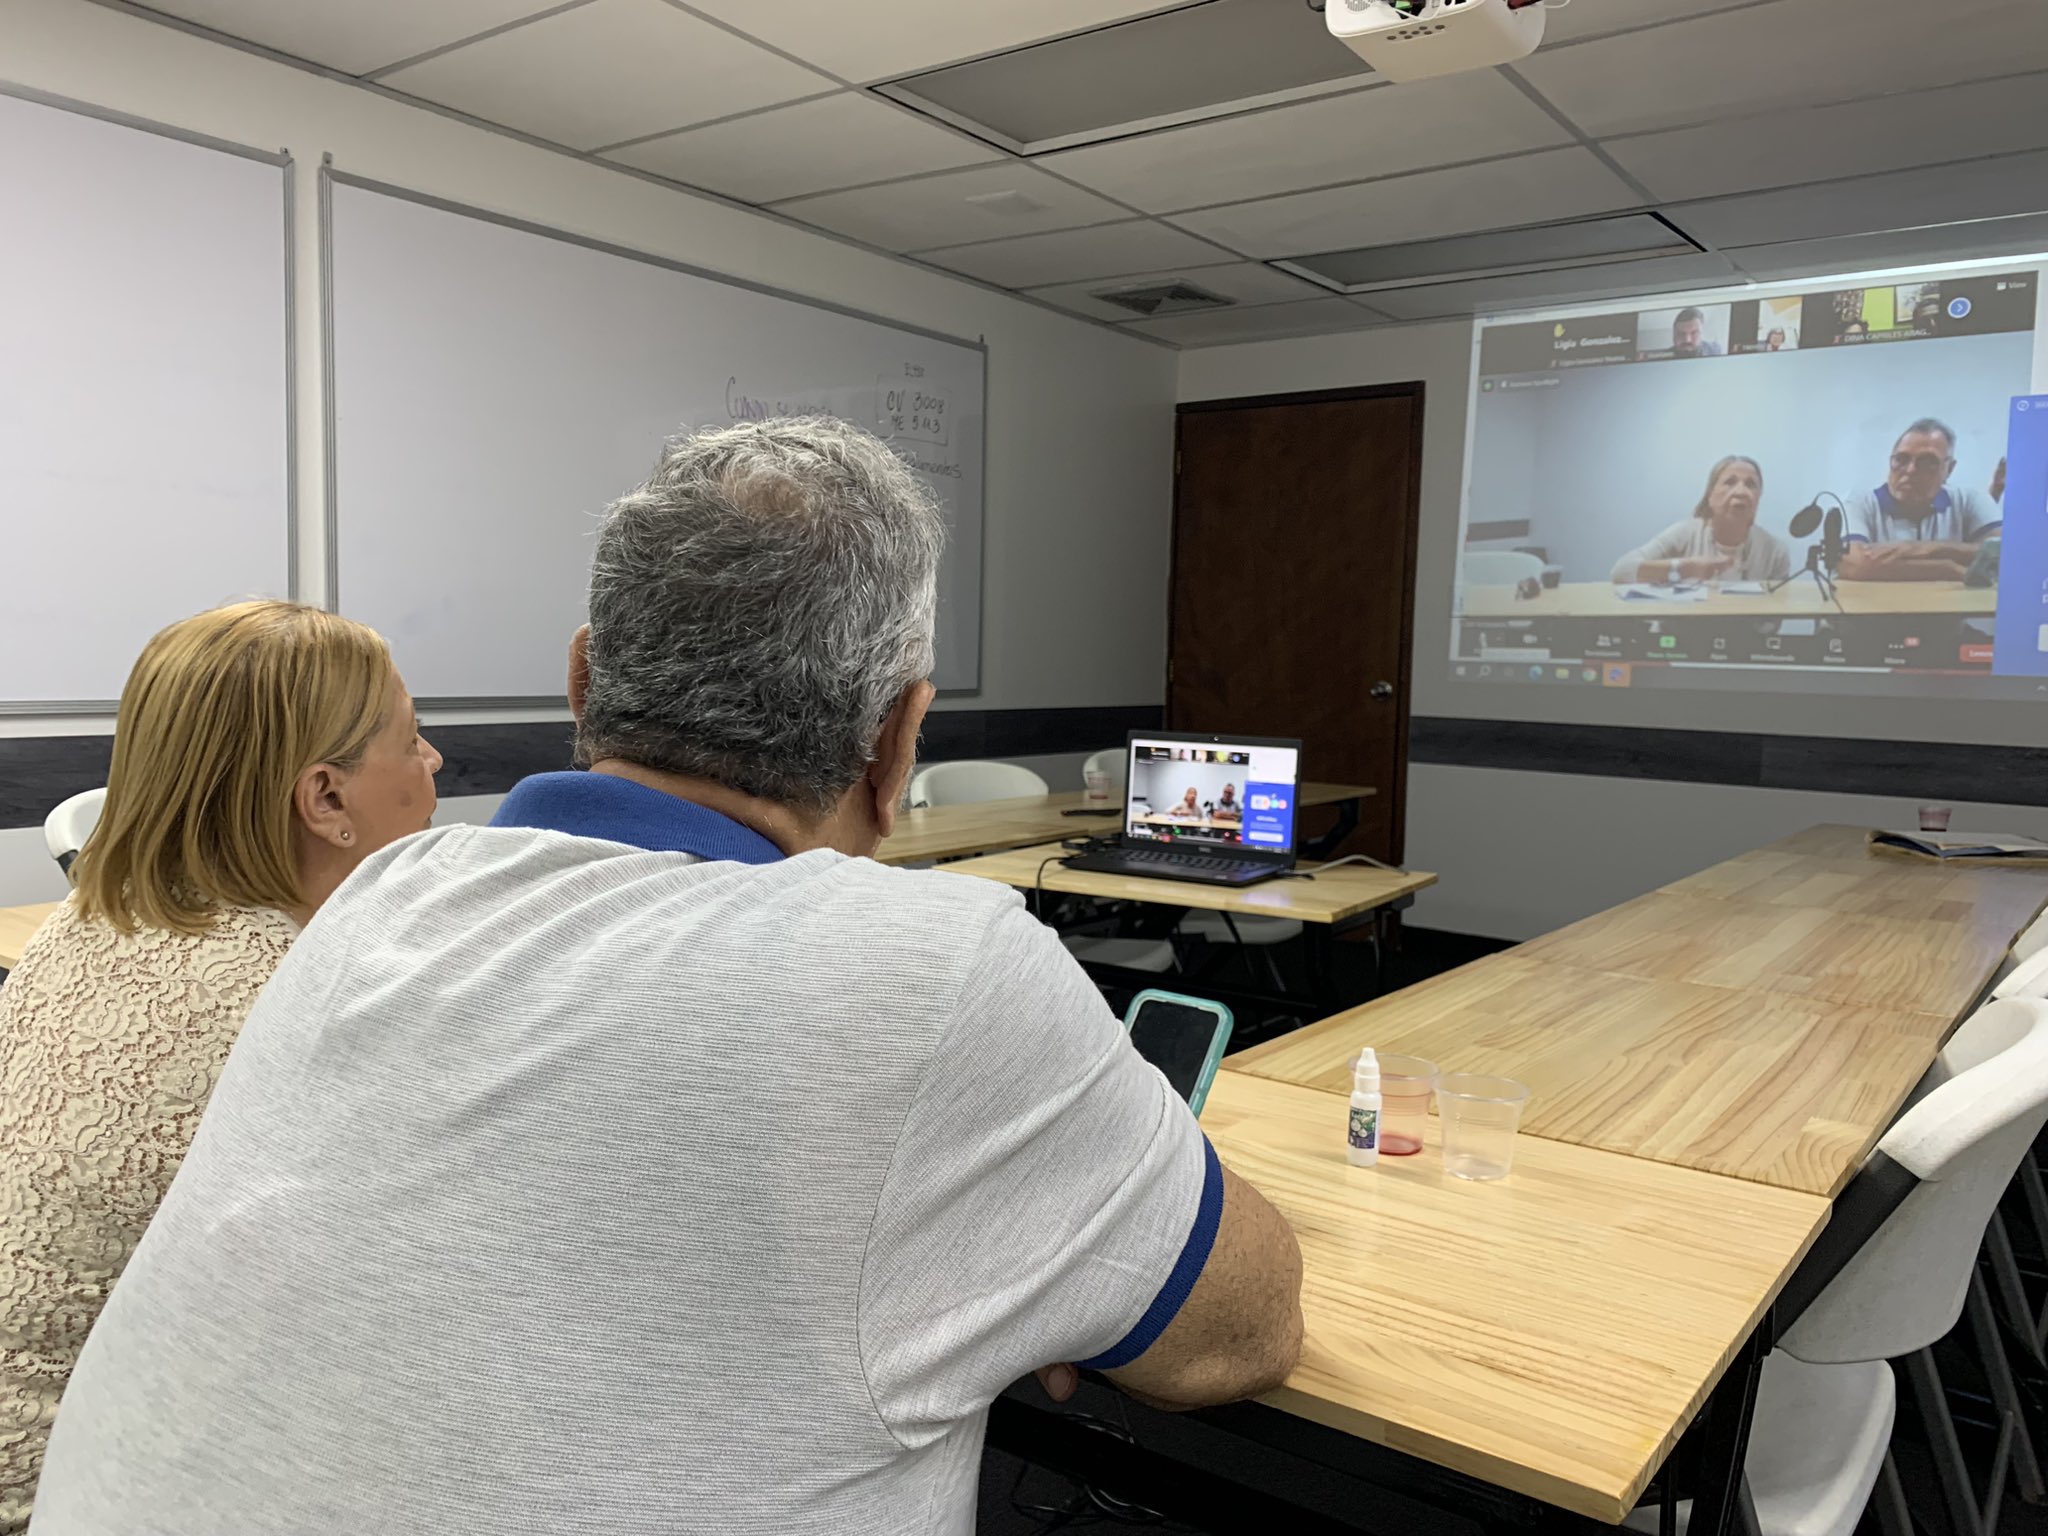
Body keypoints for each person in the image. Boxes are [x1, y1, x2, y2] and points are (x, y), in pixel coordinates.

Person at [31, 419, 1304, 1536]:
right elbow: (1241, 1332)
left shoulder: (371, 904)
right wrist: (1031, 1282)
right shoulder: (942, 972)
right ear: (897, 737)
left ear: (583, 680)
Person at [0, 600, 439, 1532]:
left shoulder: (90, 917)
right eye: (413, 738)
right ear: (325, 799)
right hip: (67, 1490)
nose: (433, 762)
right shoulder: (293, 1001)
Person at [1838, 418, 2003, 582]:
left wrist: (1924, 549)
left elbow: (2005, 555)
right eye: (1901, 460)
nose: (1910, 470)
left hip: (1951, 606)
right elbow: (1856, 565)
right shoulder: (1857, 502)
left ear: (1949, 469)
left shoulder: (1970, 500)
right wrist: (1947, 569)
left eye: (1927, 462)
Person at [1610, 455, 1792, 585]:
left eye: (1751, 484)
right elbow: (1621, 571)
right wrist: (1686, 568)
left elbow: (1770, 624)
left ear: (1759, 497)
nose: (1741, 491)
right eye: (1730, 482)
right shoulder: (1684, 534)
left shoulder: (1775, 552)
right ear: (1710, 496)